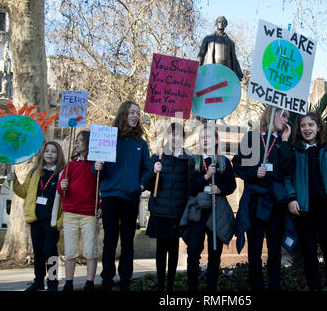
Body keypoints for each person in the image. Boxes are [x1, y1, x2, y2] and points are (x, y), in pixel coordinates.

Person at [233, 106, 295, 291]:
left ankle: (274, 287)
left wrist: (285, 142)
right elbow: (237, 165)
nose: (285, 120)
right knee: (255, 251)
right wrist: (254, 173)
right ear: (271, 113)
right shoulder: (251, 137)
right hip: (255, 202)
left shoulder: (282, 141)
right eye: (282, 115)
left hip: (275, 203)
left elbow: (288, 169)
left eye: (288, 117)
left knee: (275, 251)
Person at [93, 100, 150, 291]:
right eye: (132, 112)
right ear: (123, 114)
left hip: (130, 197)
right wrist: (97, 167)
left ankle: (125, 280)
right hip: (110, 196)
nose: (135, 116)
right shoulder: (108, 139)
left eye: (138, 113)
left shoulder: (141, 144)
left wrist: (140, 185)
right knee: (109, 240)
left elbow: (147, 168)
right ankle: (107, 281)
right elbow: (97, 171)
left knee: (127, 241)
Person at [287, 112, 327, 291]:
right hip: (305, 209)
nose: (307, 129)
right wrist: (291, 198)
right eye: (303, 125)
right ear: (299, 128)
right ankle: (315, 288)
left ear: (318, 127)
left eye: (311, 125)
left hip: (326, 207)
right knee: (309, 253)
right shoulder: (294, 151)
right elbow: (287, 177)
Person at [179, 124, 236, 291]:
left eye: (209, 137)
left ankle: (211, 288)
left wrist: (220, 189)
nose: (205, 140)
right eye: (202, 137)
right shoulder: (194, 161)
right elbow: (190, 187)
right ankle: (192, 286)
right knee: (194, 251)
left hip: (216, 209)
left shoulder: (223, 161)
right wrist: (207, 176)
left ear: (216, 140)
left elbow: (231, 185)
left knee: (214, 252)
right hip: (198, 210)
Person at [7, 141, 66, 291]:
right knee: (38, 251)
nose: (50, 154)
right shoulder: (34, 172)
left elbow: (67, 198)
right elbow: (23, 192)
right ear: (42, 154)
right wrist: (13, 180)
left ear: (58, 155)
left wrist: (60, 222)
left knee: (50, 251)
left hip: (52, 221)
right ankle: (38, 281)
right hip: (36, 219)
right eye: (47, 151)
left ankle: (53, 282)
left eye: (53, 151)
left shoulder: (62, 173)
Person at [142, 123, 191, 291]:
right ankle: (161, 285)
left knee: (174, 250)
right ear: (167, 136)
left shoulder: (188, 159)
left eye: (179, 135)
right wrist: (153, 172)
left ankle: (170, 286)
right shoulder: (158, 156)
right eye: (172, 134)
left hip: (178, 211)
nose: (175, 138)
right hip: (160, 211)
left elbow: (189, 186)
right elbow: (147, 184)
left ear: (182, 138)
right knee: (161, 250)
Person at [57, 130, 101, 291]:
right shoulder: (71, 165)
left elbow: (101, 188)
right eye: (76, 140)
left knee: (90, 249)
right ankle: (69, 282)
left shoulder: (96, 166)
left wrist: (100, 206)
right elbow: (60, 189)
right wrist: (62, 187)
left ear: (88, 144)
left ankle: (89, 282)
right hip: (70, 212)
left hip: (89, 213)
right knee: (70, 251)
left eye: (80, 141)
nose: (76, 143)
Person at [197, 16, 244, 81]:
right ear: (216, 23)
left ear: (225, 25)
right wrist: (196, 69)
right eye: (219, 21)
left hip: (227, 71)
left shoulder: (231, 42)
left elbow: (234, 59)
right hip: (213, 69)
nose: (221, 23)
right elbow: (201, 55)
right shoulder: (208, 39)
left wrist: (240, 74)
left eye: (223, 22)